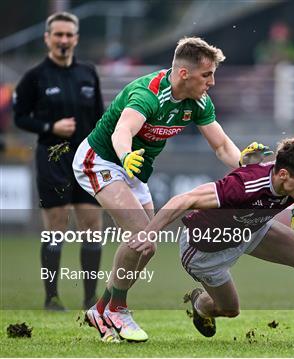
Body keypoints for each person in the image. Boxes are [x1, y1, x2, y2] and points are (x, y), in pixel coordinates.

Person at [73, 36, 271, 343]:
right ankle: (118, 310)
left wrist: (246, 163)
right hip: (101, 161)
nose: (213, 82)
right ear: (183, 74)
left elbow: (220, 146)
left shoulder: (199, 102)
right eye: (207, 75)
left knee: (144, 250)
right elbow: (122, 131)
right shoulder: (147, 94)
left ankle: (100, 309)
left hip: (134, 170)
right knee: (144, 239)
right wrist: (126, 155)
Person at [128, 138, 294, 338]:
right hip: (205, 249)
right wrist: (149, 233)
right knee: (229, 310)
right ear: (284, 175)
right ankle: (201, 304)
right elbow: (185, 199)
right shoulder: (243, 186)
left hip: (252, 229)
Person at [13, 12, 104, 311]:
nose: (63, 40)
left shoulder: (88, 73)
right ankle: (51, 297)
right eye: (58, 35)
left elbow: (102, 117)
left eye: (69, 35)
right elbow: (20, 117)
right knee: (56, 225)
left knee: (92, 224)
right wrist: (50, 128)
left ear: (76, 38)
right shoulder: (34, 77)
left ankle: (90, 297)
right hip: (53, 159)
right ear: (47, 38)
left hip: (87, 161)